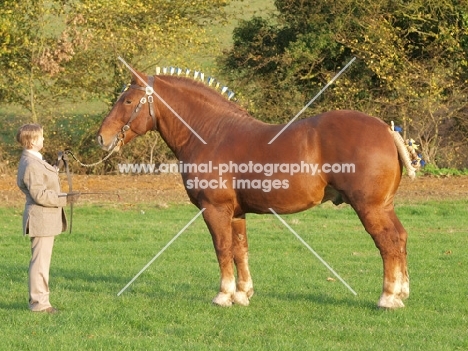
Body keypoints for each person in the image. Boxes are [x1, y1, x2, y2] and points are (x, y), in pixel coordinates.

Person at [16, 123, 80, 314]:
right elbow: (40, 195)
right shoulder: (30, 163)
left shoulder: (34, 160)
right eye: (41, 137)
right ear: (33, 140)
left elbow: (42, 181)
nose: (44, 139)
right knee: (40, 263)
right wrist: (65, 199)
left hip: (44, 219)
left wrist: (56, 167)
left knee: (42, 261)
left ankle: (40, 301)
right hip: (40, 219)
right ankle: (39, 304)